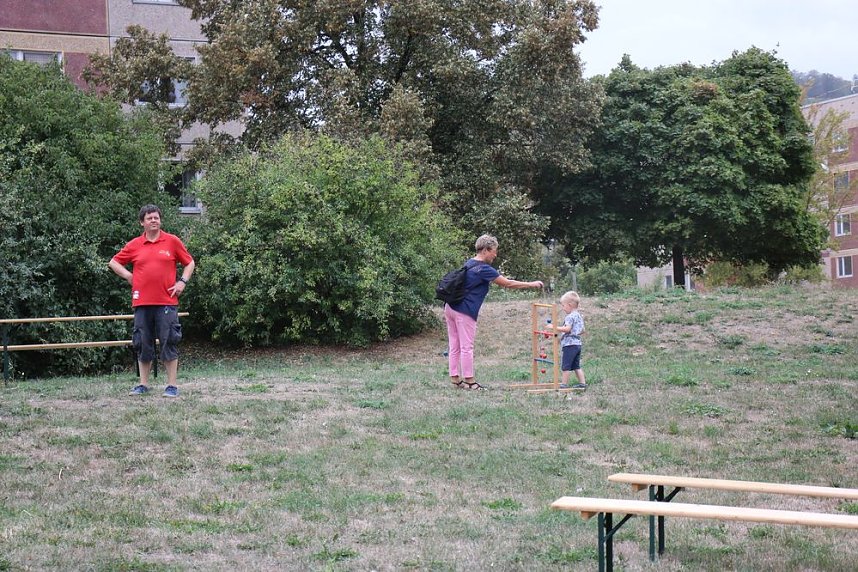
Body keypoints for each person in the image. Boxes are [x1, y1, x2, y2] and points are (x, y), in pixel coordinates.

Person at [109, 204, 195, 397]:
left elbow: (189, 262)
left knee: (169, 341)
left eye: (156, 217)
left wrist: (182, 281)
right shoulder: (134, 245)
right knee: (142, 342)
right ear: (142, 223)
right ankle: (143, 384)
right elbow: (113, 262)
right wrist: (129, 276)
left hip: (167, 301)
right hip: (142, 302)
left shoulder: (172, 241)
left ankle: (172, 386)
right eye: (149, 218)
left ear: (160, 220)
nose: (154, 220)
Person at [445, 234, 543, 390]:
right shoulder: (483, 269)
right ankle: (470, 382)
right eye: (494, 251)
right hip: (464, 311)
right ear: (485, 250)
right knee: (466, 347)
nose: (495, 255)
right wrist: (531, 284)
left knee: (455, 345)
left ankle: (455, 379)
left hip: (450, 307)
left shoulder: (469, 263)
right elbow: (508, 284)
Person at [556, 290, 587, 390]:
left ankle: (564, 384)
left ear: (569, 305)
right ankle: (582, 383)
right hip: (577, 344)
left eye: (563, 306)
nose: (563, 308)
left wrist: (554, 327)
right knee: (576, 366)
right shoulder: (578, 316)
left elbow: (567, 329)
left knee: (566, 365)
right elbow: (582, 330)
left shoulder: (569, 317)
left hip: (569, 345)